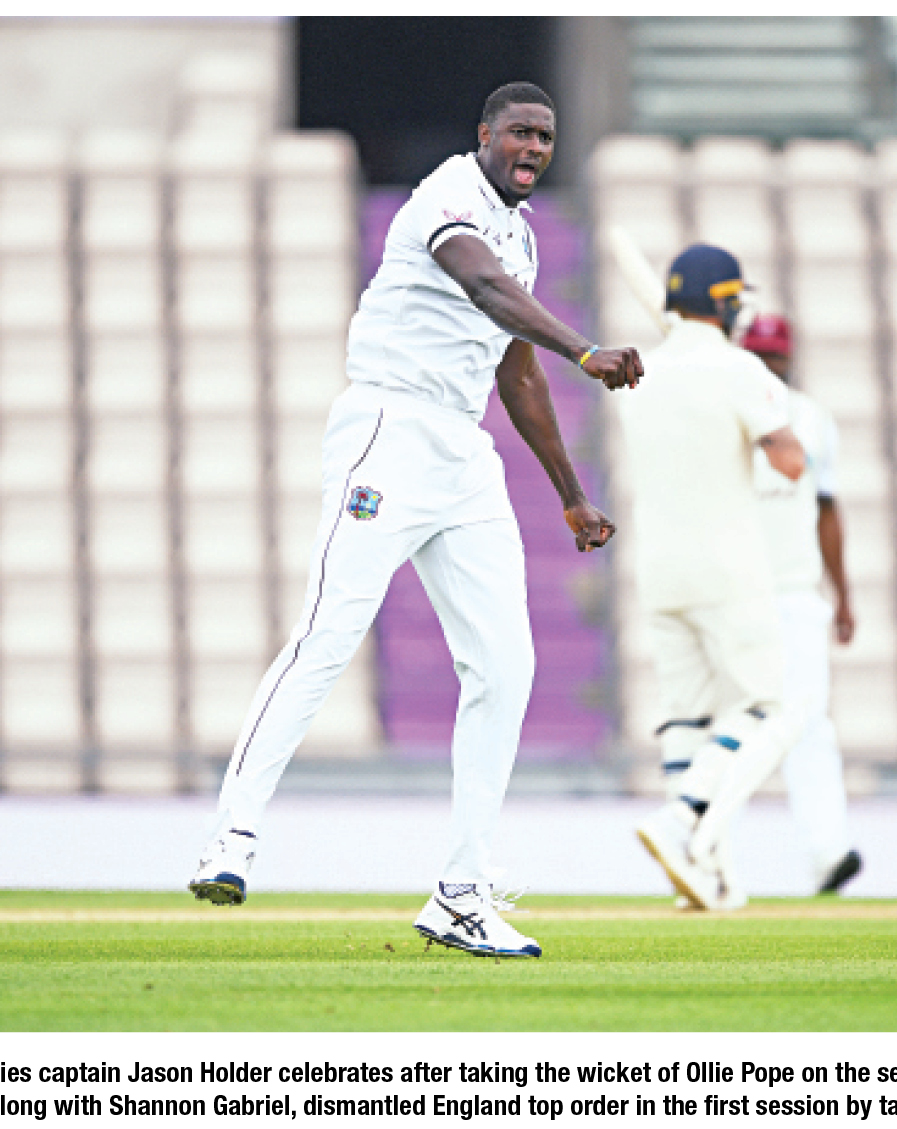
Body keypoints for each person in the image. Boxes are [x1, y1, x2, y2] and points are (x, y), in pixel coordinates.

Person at [189, 82, 643, 960]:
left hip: (463, 455)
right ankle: (231, 837)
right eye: (519, 132)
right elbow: (481, 285)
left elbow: (517, 372)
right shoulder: (449, 195)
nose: (532, 148)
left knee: (505, 666)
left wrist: (569, 491)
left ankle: (461, 892)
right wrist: (586, 348)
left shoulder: (521, 234)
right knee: (329, 633)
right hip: (388, 431)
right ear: (485, 134)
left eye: (545, 137)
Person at [619, 244, 806, 910]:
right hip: (727, 564)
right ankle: (681, 822)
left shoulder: (642, 373)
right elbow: (790, 461)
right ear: (724, 303)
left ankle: (705, 873)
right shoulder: (739, 368)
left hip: (658, 569)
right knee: (769, 710)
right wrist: (781, 424)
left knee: (687, 720)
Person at [739, 314, 863, 895]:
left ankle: (828, 853)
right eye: (758, 356)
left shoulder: (812, 419)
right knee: (732, 723)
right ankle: (708, 854)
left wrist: (842, 595)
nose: (768, 366)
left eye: (775, 356)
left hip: (795, 591)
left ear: (789, 358)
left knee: (810, 722)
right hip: (737, 593)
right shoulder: (729, 412)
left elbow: (827, 509)